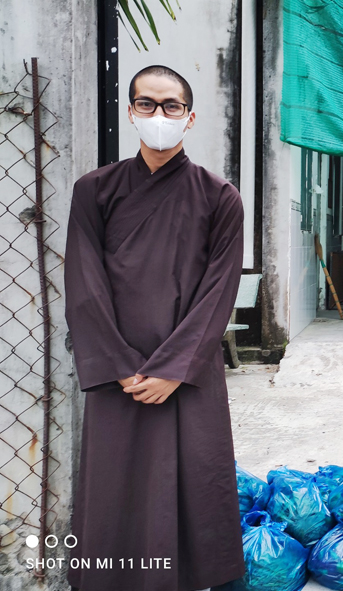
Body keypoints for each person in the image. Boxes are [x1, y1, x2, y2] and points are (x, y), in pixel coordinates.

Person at [64, 65, 245, 591]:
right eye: (147, 104)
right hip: (119, 373)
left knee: (193, 481)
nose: (158, 115)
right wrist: (120, 366)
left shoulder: (219, 196)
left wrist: (174, 368)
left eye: (171, 106)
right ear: (130, 112)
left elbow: (219, 292)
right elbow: (84, 284)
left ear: (189, 117)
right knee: (117, 484)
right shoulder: (94, 190)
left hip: (188, 370)